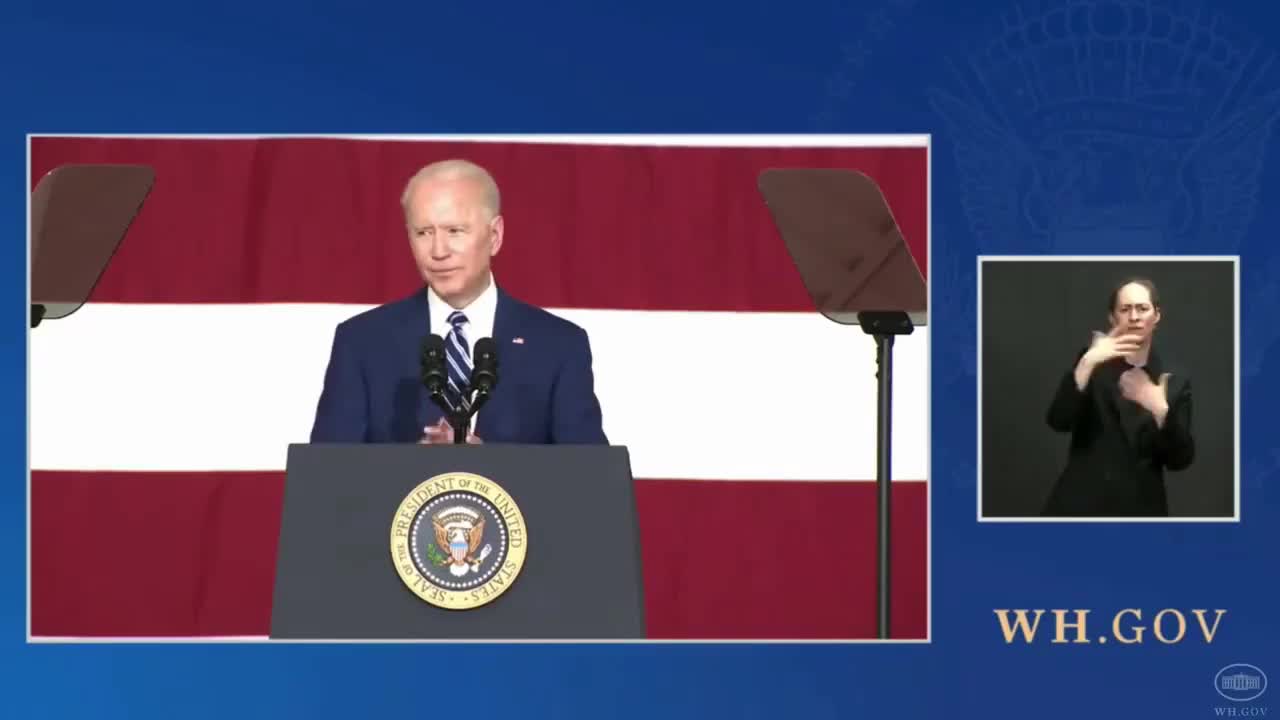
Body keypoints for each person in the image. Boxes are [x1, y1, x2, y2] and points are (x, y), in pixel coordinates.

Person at [309, 159, 608, 445]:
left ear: (494, 236)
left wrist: (484, 468)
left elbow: (588, 481)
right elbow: (327, 479)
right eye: (423, 233)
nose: (438, 251)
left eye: (455, 231)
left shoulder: (558, 345)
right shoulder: (362, 342)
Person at [1042, 277, 1194, 517]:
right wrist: (1087, 363)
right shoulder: (1091, 361)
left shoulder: (1175, 379)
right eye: (1125, 309)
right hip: (1079, 506)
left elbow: (1180, 460)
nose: (1134, 317)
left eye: (1142, 308)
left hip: (1141, 511)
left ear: (1157, 316)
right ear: (1113, 318)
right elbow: (1058, 421)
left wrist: (1160, 411)